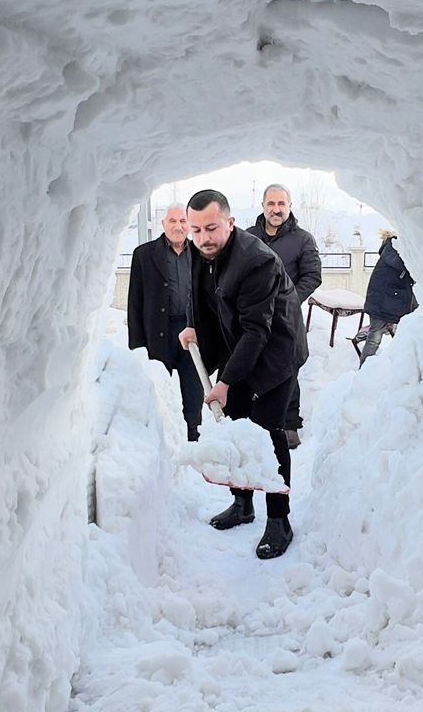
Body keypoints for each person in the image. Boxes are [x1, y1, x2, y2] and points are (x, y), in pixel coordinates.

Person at [179, 189, 308, 559]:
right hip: (240, 347)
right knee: (235, 424)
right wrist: (193, 326)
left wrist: (224, 382)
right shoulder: (199, 250)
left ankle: (279, 520)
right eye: (196, 230)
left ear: (230, 223)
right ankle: (242, 503)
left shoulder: (256, 261)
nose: (204, 237)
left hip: (276, 353)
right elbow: (200, 297)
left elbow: (257, 332)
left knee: (268, 433)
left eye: (212, 228)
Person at [247, 183, 321, 444]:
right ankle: (253, 421)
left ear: (289, 206)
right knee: (252, 366)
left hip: (287, 321)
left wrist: (289, 302)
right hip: (253, 318)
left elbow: (312, 276)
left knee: (287, 368)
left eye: (281, 204)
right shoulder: (248, 237)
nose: (276, 209)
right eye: (271, 203)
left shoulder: (303, 239)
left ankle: (289, 424)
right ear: (263, 206)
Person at [125, 204, 203, 440]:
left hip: (191, 332)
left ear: (190, 225)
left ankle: (193, 434)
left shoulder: (201, 253)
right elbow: (134, 302)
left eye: (183, 221)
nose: (178, 226)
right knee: (159, 390)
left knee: (194, 389)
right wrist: (137, 347)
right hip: (159, 332)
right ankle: (162, 438)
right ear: (163, 224)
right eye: (172, 221)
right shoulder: (144, 254)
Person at [358, 229, 417, 362]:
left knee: (381, 336)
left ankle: (397, 366)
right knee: (374, 338)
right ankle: (364, 370)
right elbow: (403, 263)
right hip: (380, 302)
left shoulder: (393, 249)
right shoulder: (392, 249)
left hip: (388, 301)